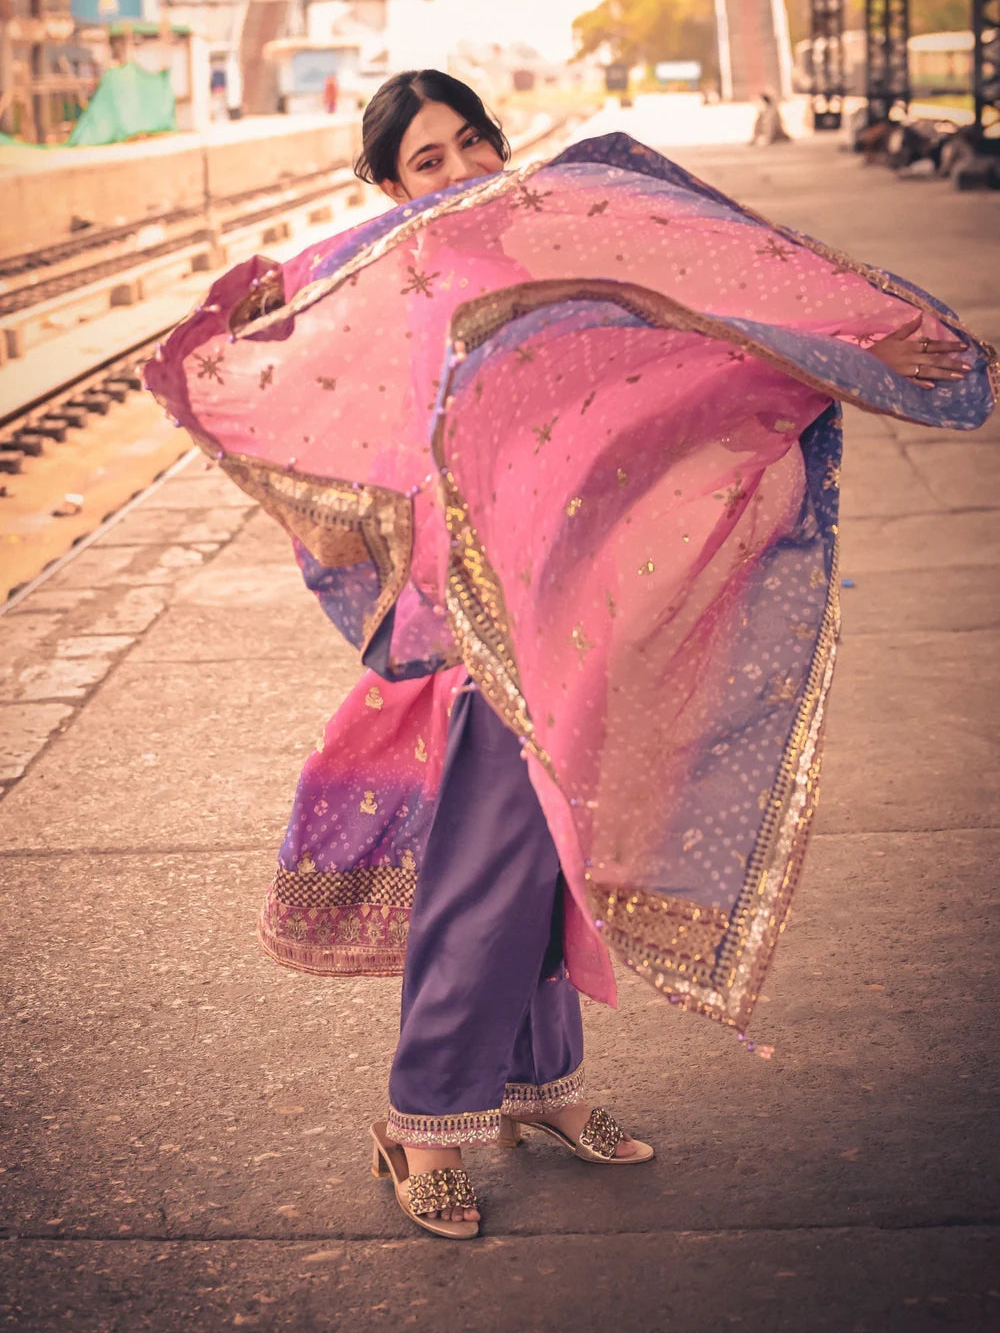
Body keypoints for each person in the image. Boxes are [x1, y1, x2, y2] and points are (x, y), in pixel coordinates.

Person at [144, 70, 993, 1242]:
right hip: (481, 625)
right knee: (489, 863)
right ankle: (424, 1119)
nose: (456, 174)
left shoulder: (578, 238)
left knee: (558, 851)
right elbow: (305, 391)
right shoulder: (392, 288)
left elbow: (722, 310)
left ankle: (540, 1087)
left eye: (469, 145)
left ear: (502, 145)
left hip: (595, 601)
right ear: (389, 188)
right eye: (423, 163)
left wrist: (866, 340)